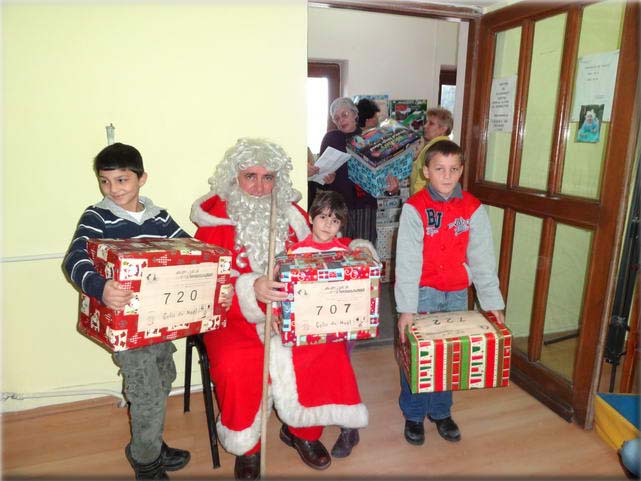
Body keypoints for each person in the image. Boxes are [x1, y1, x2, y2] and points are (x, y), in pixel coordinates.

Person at [190, 138, 368, 480]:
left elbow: (327, 243)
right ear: (234, 177)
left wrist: (359, 251)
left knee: (323, 352)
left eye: (268, 177)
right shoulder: (213, 223)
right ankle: (248, 447)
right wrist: (250, 288)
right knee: (235, 365)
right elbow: (207, 282)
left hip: (296, 316)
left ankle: (303, 431)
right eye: (250, 176)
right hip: (234, 320)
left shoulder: (292, 214)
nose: (259, 187)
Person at [63, 142, 191, 480]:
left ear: (142, 178)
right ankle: (145, 460)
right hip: (125, 325)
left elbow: (191, 251)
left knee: (163, 378)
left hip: (161, 321)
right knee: (145, 390)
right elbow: (74, 259)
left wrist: (216, 282)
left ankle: (149, 442)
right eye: (105, 181)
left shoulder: (160, 217)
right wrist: (100, 286)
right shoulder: (97, 216)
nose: (113, 189)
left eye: (122, 180)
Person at [394, 139, 505, 447]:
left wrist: (492, 302)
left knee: (449, 358)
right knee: (417, 357)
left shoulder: (472, 207)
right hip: (422, 294)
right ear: (427, 171)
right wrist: (406, 309)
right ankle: (414, 414)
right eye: (439, 169)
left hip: (457, 295)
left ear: (461, 171)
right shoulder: (414, 208)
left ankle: (441, 412)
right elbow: (406, 262)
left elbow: (483, 257)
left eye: (453, 169)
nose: (446, 176)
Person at [284, 190, 378, 459]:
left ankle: (350, 425)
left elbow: (363, 284)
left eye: (335, 220)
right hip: (307, 330)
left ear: (341, 226)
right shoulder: (295, 252)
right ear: (312, 218)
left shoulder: (346, 251)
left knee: (341, 372)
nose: (327, 224)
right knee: (310, 375)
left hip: (339, 329)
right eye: (323, 217)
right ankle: (309, 421)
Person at [316, 97, 399, 244]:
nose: (341, 120)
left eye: (345, 115)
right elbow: (321, 176)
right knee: (339, 249)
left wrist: (391, 189)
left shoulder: (371, 138)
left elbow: (383, 178)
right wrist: (326, 180)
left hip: (365, 205)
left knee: (365, 250)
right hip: (338, 207)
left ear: (355, 114)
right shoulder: (331, 138)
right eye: (337, 118)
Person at [409, 106, 453, 195]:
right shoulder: (435, 146)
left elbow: (423, 180)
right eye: (426, 122)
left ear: (443, 129)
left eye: (431, 123)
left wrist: (416, 202)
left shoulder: (437, 148)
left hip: (423, 200)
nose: (425, 126)